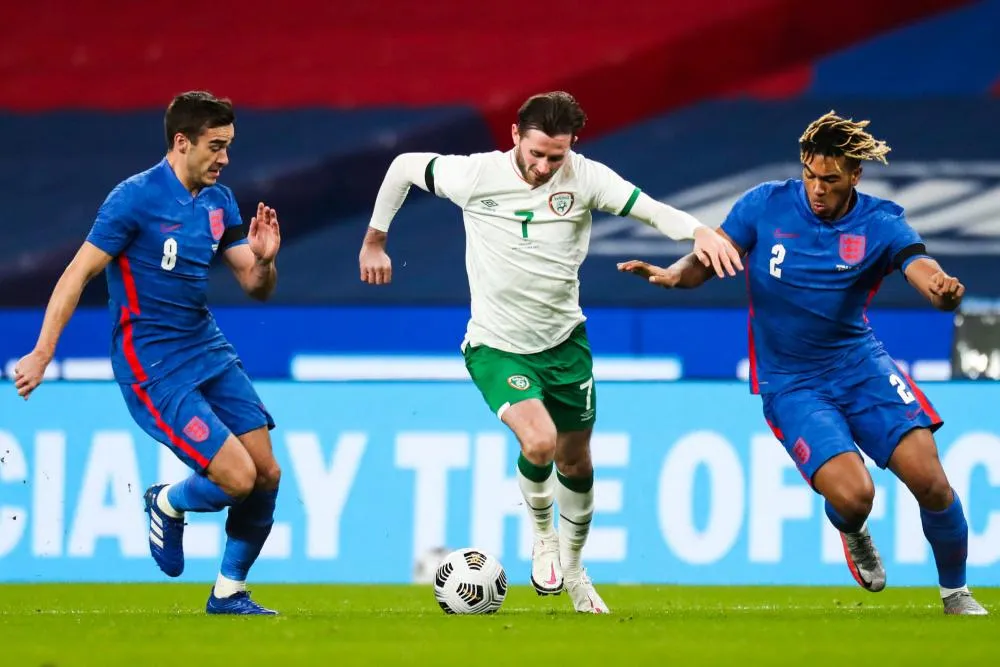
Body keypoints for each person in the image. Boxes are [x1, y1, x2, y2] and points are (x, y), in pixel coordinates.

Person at [358, 91, 742, 614]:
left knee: (576, 460)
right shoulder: (474, 175)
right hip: (497, 346)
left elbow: (650, 210)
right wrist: (375, 240)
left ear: (571, 147)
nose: (542, 167)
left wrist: (698, 230)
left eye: (554, 157)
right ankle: (543, 539)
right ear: (515, 135)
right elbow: (403, 166)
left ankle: (577, 569)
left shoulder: (584, 178)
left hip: (565, 345)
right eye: (535, 153)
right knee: (539, 442)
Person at [618, 110, 987, 615]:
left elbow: (922, 269)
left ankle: (956, 594)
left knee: (931, 480)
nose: (817, 188)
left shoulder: (881, 222)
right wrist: (673, 274)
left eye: (830, 179)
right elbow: (708, 260)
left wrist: (942, 292)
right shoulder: (765, 205)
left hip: (860, 366)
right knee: (855, 497)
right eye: (810, 175)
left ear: (855, 175)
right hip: (792, 383)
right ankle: (852, 530)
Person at [13, 91, 284, 616]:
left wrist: (267, 261)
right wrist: (43, 352)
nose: (225, 158)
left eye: (229, 146)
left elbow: (254, 284)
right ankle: (166, 501)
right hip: (153, 364)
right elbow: (78, 275)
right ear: (182, 142)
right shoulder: (132, 198)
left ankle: (229, 591)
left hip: (207, 347)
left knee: (268, 474)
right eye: (216, 146)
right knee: (236, 478)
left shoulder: (218, 201)